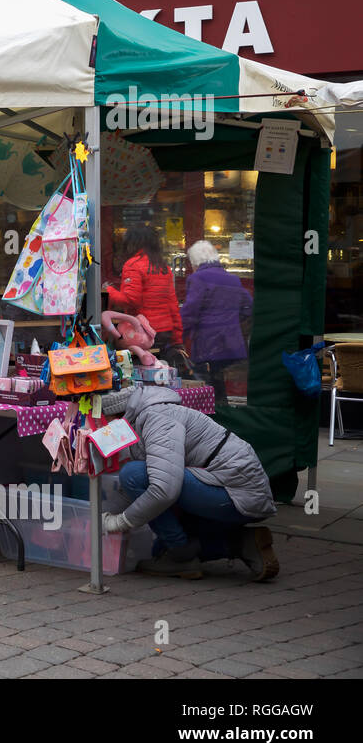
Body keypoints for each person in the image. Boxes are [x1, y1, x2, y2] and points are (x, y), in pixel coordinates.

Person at [100, 385, 278, 581]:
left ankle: (181, 555)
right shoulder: (149, 415)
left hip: (237, 494)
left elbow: (162, 489)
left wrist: (120, 522)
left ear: (118, 416)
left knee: (133, 474)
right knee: (159, 549)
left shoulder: (157, 419)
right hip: (229, 488)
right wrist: (99, 516)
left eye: (106, 424)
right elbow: (135, 488)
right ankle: (242, 543)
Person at [181, 240, 253, 406]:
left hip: (209, 342)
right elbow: (248, 307)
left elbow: (190, 312)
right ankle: (223, 412)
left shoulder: (198, 278)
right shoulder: (233, 279)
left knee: (208, 383)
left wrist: (179, 336)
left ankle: (214, 417)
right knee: (218, 382)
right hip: (231, 343)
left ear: (195, 261)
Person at [106, 224, 182, 349]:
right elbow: (172, 304)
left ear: (132, 242)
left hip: (143, 332)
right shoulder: (163, 267)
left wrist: (108, 290)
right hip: (165, 331)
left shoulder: (133, 265)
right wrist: (177, 338)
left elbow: (129, 300)